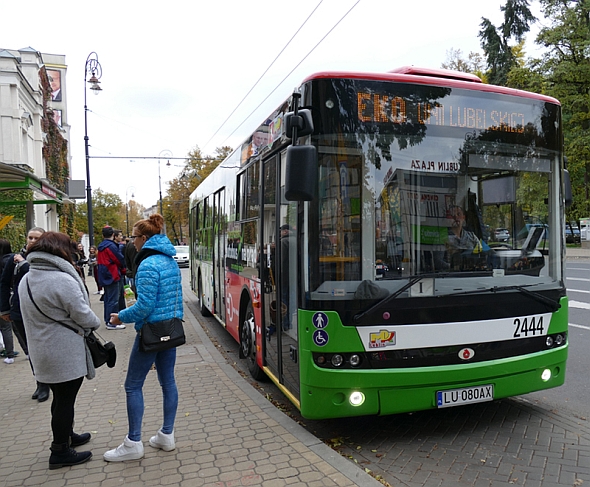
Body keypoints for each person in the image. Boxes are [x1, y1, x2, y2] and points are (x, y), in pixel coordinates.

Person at [104, 214, 183, 462]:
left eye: (134, 237)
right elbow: (175, 299)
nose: (132, 242)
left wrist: (120, 317)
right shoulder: (169, 261)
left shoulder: (148, 265)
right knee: (167, 382)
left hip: (150, 333)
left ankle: (133, 442)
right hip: (171, 331)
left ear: (144, 238)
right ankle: (166, 435)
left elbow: (144, 307)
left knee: (133, 385)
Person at [19, 232, 101, 470]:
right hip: (63, 351)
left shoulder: (28, 278)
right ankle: (60, 451)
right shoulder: (60, 279)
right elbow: (83, 314)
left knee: (61, 397)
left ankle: (67, 435)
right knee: (65, 400)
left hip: (42, 349)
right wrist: (96, 321)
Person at [0, 227, 50, 401]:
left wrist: (24, 264)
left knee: (41, 348)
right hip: (19, 311)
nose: (32, 241)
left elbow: (37, 277)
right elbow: (5, 284)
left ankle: (47, 383)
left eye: (37, 238)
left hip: (41, 311)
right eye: (30, 237)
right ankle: (40, 382)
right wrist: (4, 309)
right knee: (30, 349)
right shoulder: (13, 260)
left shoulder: (48, 259)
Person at [97, 226, 126, 330]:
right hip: (113, 274)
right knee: (114, 300)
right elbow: (119, 259)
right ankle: (112, 322)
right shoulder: (111, 246)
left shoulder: (101, 247)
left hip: (104, 275)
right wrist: (123, 268)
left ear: (102, 235)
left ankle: (107, 319)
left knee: (108, 299)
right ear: (113, 235)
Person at [0, 238, 16, 364]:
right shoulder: (13, 259)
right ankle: (27, 351)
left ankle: (9, 354)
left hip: (4, 297)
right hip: (14, 295)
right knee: (14, 325)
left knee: (5, 326)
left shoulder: (1, 262)